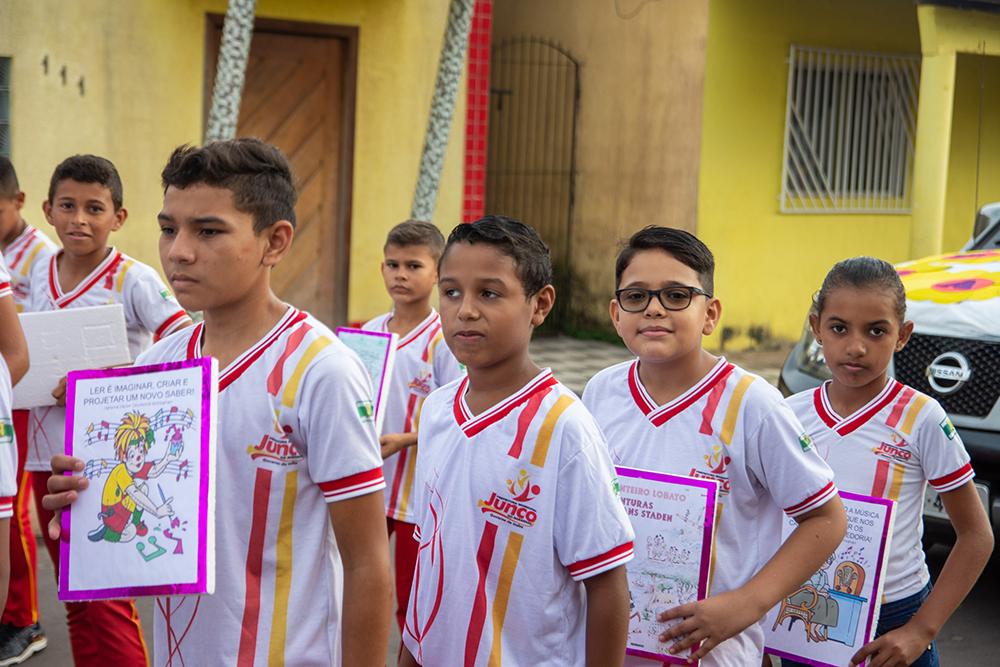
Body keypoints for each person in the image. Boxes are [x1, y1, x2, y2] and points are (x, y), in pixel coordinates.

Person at [44, 139, 391, 666]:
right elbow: (147, 514)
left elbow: (367, 561)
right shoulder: (158, 365)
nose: (178, 250)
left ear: (275, 242)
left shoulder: (323, 372)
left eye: (208, 231)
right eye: (168, 229)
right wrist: (83, 494)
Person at [581, 226, 847, 666]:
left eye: (676, 295)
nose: (653, 309)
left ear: (710, 313)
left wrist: (747, 604)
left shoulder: (752, 405)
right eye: (636, 296)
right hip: (613, 646)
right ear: (615, 313)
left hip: (711, 652)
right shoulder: (600, 392)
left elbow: (826, 518)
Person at [399, 216, 635, 667]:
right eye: (451, 292)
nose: (465, 310)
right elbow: (430, 561)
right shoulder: (435, 411)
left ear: (540, 304)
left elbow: (606, 584)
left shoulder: (564, 428)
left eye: (489, 293)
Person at [780, 257, 993, 667]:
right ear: (816, 328)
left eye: (876, 331)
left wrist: (920, 630)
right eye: (839, 328)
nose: (856, 346)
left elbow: (976, 535)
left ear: (903, 335)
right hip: (802, 604)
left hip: (895, 616)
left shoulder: (922, 417)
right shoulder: (787, 415)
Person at [25, 154, 192, 665]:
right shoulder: (37, 269)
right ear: (48, 210)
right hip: (43, 455)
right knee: (75, 593)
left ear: (118, 217)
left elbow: (185, 341)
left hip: (103, 462)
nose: (80, 219)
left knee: (104, 596)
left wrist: (106, 381)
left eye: (94, 208)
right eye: (69, 206)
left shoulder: (133, 279)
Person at [362, 219, 464, 632]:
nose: (400, 274)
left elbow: (457, 413)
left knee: (412, 599)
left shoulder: (444, 338)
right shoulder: (369, 333)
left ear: (438, 274)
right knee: (358, 584)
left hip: (415, 497)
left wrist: (406, 439)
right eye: (392, 264)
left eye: (413, 266)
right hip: (369, 484)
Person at [0, 156, 53, 664]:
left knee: (12, 514)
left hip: (24, 399)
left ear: (18, 202)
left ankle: (24, 619)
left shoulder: (43, 257)